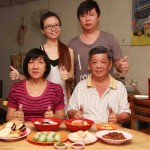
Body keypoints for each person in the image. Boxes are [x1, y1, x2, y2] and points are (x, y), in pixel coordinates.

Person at [10, 11, 74, 112]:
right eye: (49, 26)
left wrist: (69, 76)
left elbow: (71, 80)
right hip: (44, 104)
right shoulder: (39, 53)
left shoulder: (68, 51)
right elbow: (33, 78)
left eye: (56, 25)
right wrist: (20, 76)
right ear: (42, 31)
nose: (53, 29)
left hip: (63, 104)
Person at [68, 0, 129, 87]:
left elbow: (118, 64)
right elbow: (70, 75)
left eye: (91, 15)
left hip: (107, 92)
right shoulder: (72, 44)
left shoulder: (110, 39)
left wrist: (122, 66)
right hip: (82, 93)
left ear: (98, 16)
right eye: (83, 16)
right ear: (79, 19)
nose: (87, 19)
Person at [68, 46, 130, 124]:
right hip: (86, 133)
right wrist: (75, 114)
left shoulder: (119, 87)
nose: (99, 66)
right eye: (94, 62)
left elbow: (127, 114)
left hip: (111, 133)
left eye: (103, 62)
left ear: (110, 65)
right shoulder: (80, 87)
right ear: (89, 65)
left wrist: (117, 117)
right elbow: (70, 111)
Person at [7, 48, 65, 122]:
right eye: (31, 62)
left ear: (46, 67)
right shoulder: (16, 89)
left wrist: (53, 116)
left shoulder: (56, 89)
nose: (35, 67)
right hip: (23, 131)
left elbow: (62, 117)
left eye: (40, 62)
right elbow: (9, 117)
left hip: (47, 131)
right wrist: (15, 118)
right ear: (26, 66)